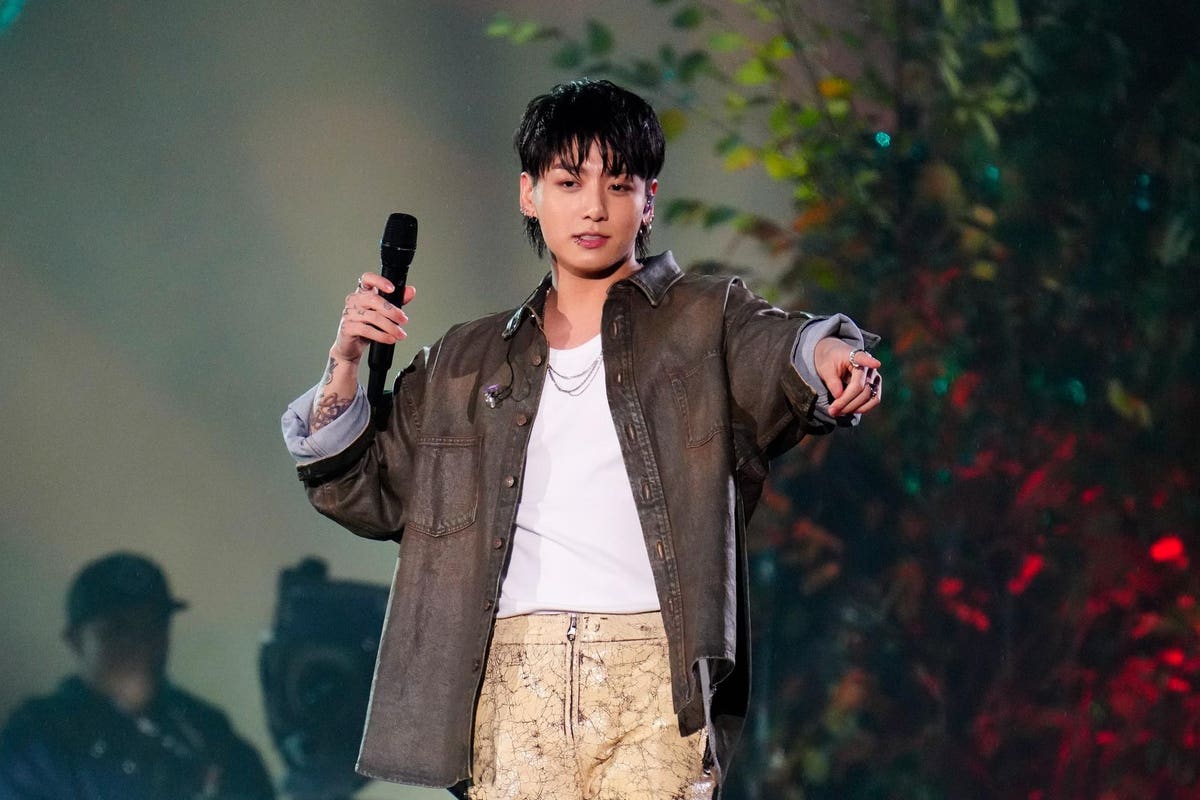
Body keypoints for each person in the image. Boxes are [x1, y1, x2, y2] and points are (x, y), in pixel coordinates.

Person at [282, 79, 882, 798]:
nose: (594, 206)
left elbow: (783, 347)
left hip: (653, 684)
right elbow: (363, 491)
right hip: (511, 685)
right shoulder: (464, 361)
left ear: (648, 200)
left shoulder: (706, 319)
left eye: (619, 184)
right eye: (569, 182)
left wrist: (834, 357)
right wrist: (345, 364)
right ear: (529, 193)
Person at [0, 552, 276, 800]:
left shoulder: (207, 733)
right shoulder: (37, 744)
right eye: (117, 631)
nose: (140, 645)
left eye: (153, 626)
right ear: (76, 641)